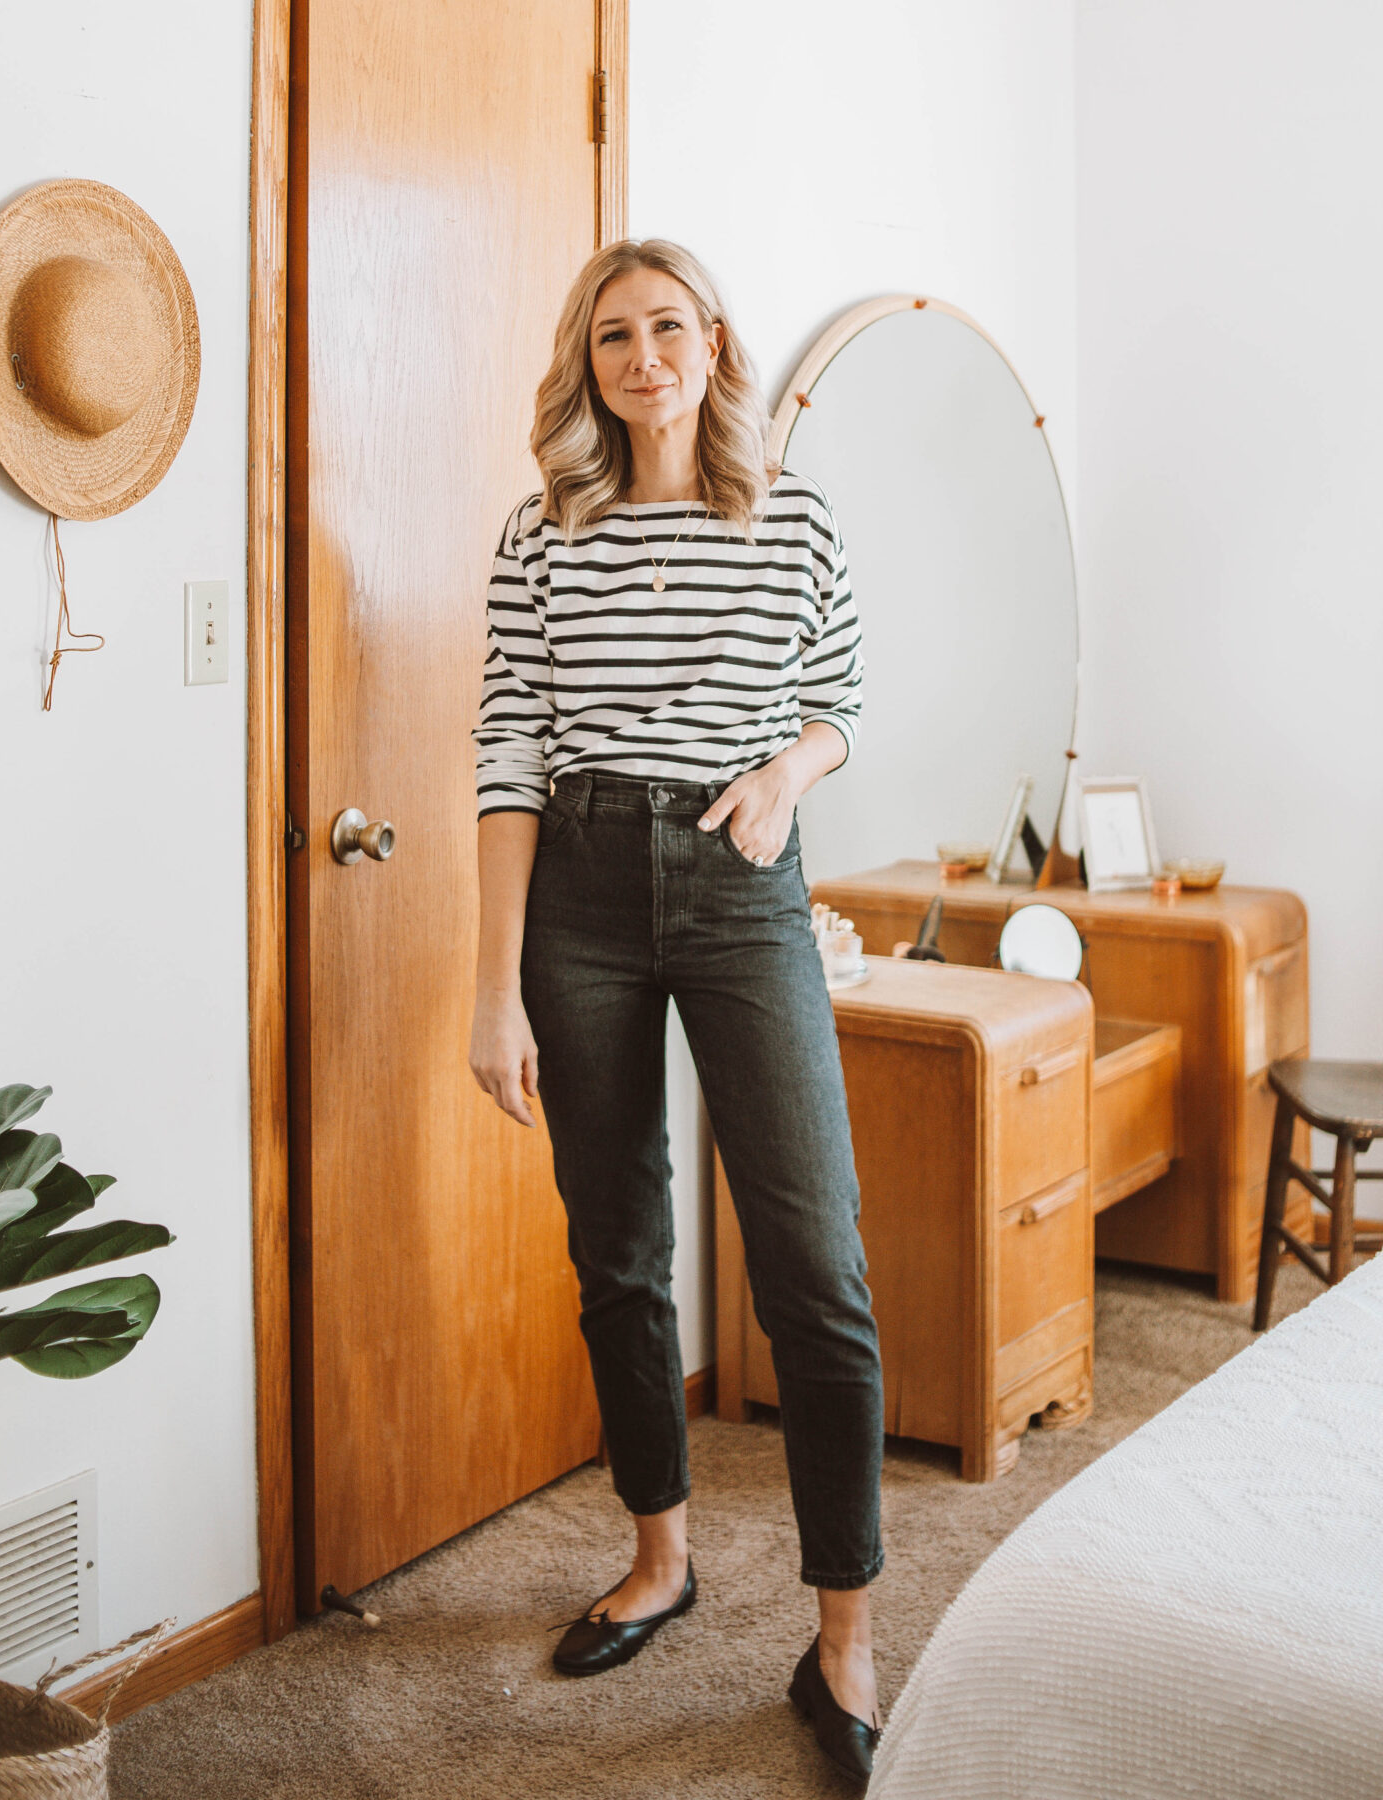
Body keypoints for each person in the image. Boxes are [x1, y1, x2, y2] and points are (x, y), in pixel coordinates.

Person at [468, 238, 885, 1786]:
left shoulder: (795, 513)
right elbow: (507, 753)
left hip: (738, 878)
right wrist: (493, 982)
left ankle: (843, 1631)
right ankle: (663, 1556)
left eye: (666, 327)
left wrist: (787, 772)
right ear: (588, 363)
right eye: (612, 336)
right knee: (619, 1250)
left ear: (713, 342)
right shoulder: (543, 534)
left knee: (814, 1263)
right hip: (575, 891)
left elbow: (838, 696)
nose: (641, 356)